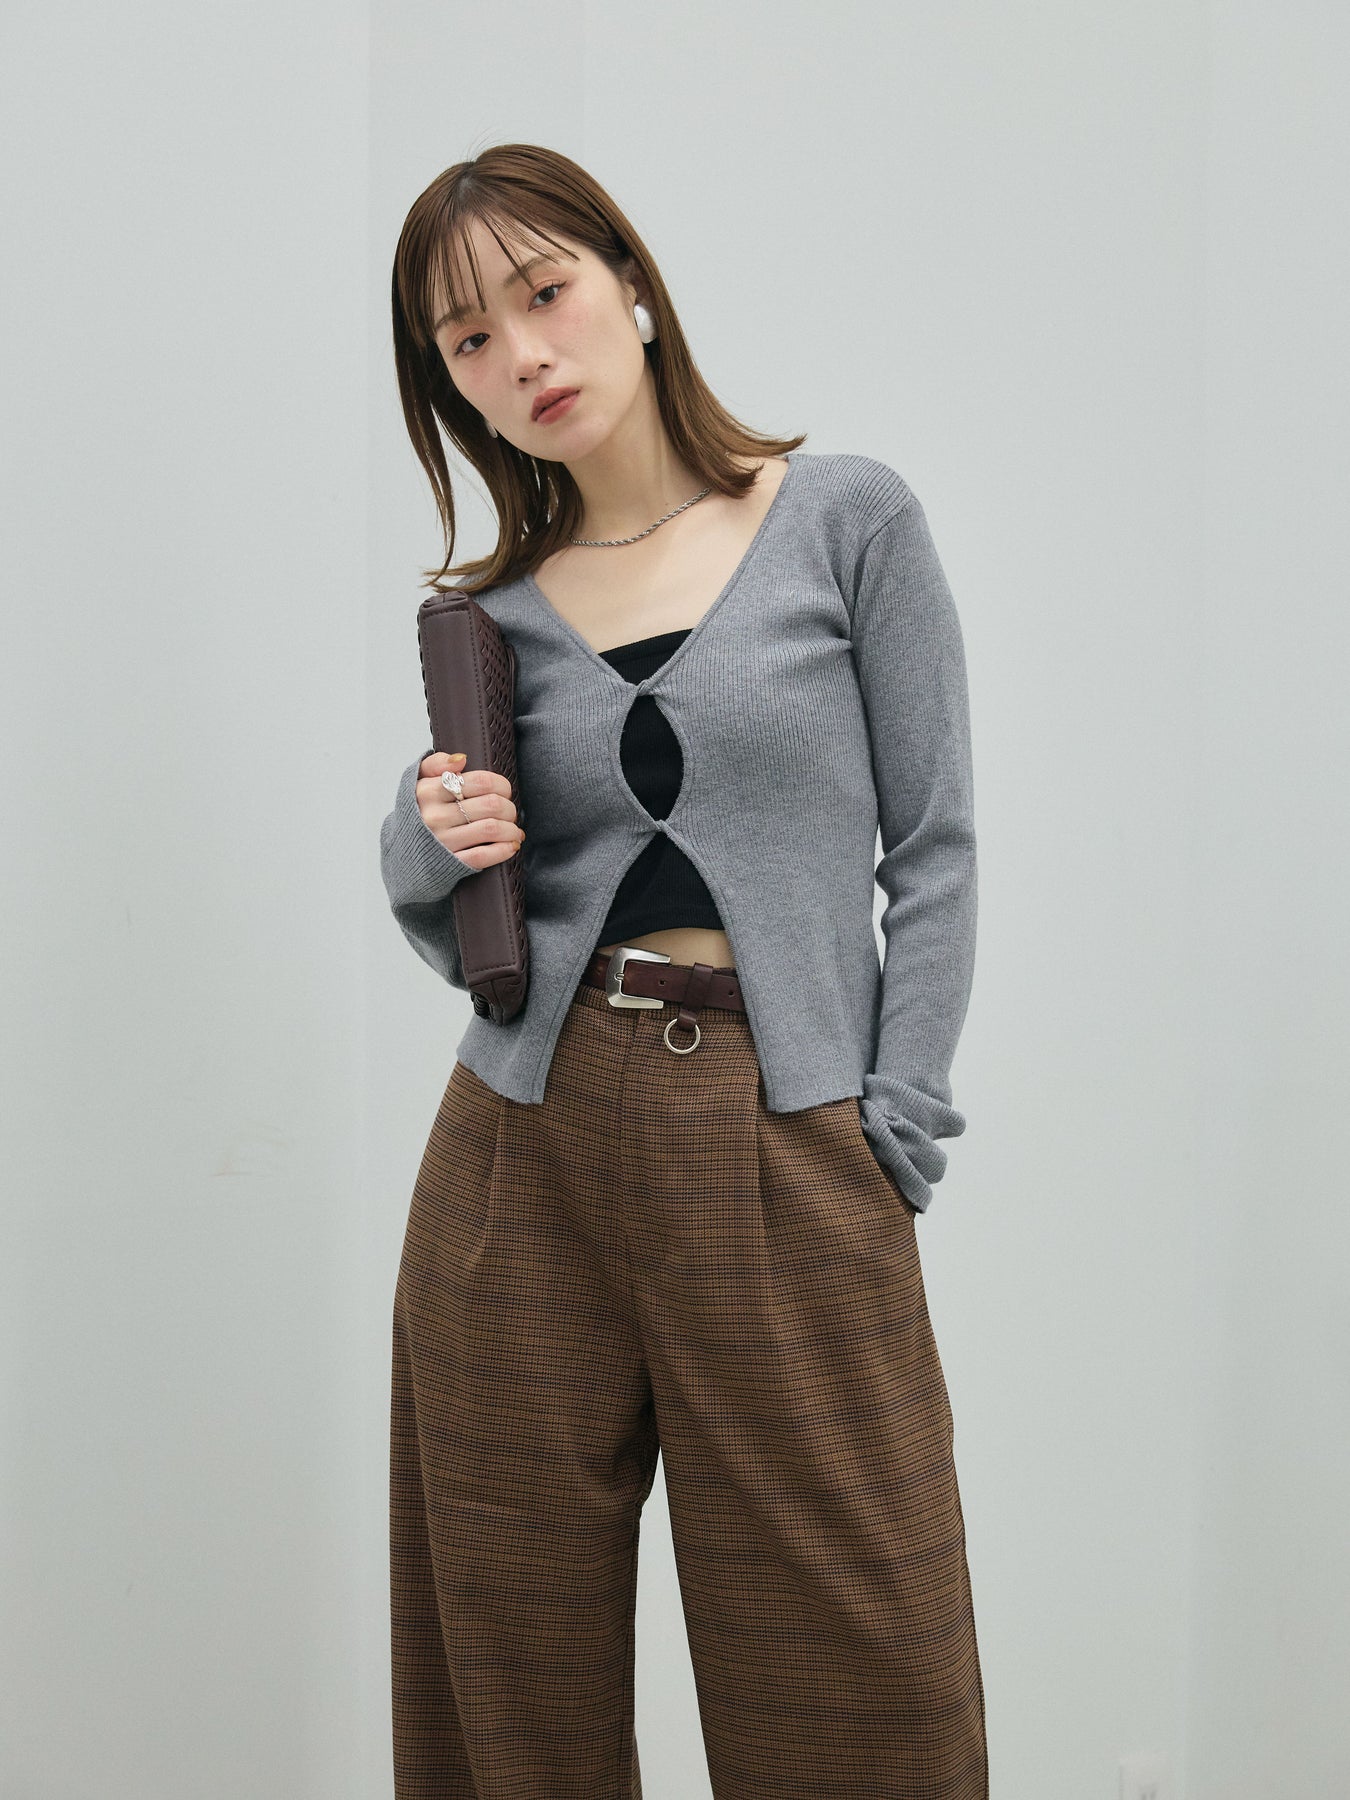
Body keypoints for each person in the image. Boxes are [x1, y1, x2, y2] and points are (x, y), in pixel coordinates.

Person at [380, 142, 988, 1799]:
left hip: (786, 1129)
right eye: (468, 340)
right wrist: (429, 834)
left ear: (632, 286)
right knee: (506, 1662)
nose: (523, 355)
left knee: (860, 1664)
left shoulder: (844, 520)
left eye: (544, 293)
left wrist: (895, 1108)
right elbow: (437, 896)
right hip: (523, 1147)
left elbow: (932, 847)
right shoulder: (493, 619)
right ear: (452, 389)